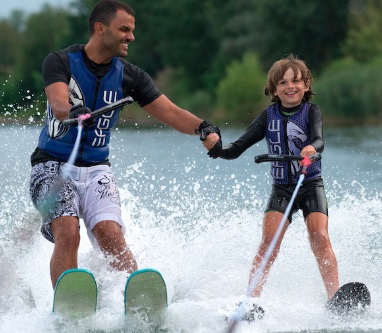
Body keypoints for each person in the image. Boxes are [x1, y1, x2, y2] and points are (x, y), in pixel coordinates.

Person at [29, 0, 219, 289]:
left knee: (110, 234)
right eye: (124, 29)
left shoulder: (131, 76)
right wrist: (73, 112)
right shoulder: (61, 61)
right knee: (68, 231)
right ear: (100, 28)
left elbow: (170, 112)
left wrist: (203, 128)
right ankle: (67, 305)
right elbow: (57, 104)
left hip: (97, 170)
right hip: (53, 166)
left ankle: (135, 296)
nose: (131, 36)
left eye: (132, 30)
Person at [202, 54, 339, 319]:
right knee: (269, 244)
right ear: (274, 89)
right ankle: (250, 302)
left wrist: (312, 147)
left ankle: (335, 298)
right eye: (284, 82)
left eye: (297, 81)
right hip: (283, 189)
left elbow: (319, 140)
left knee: (320, 238)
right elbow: (236, 149)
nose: (291, 86)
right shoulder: (269, 116)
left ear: (307, 84)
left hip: (309, 183)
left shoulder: (312, 112)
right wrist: (216, 148)